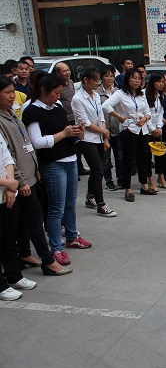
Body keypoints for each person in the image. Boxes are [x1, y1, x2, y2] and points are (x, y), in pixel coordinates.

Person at [0, 77, 72, 276]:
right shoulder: (2, 120)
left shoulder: (12, 115)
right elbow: (8, 155)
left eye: (12, 91)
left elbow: (26, 145)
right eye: (7, 92)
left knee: (25, 220)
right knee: (35, 218)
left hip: (30, 175)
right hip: (19, 180)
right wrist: (20, 179)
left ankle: (24, 253)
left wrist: (34, 167)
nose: (12, 95)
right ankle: (47, 261)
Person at [23, 74, 92, 266]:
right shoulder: (32, 111)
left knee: (70, 203)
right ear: (43, 90)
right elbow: (37, 142)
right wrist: (63, 134)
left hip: (70, 158)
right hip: (53, 163)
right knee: (56, 208)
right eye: (55, 93)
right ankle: (55, 248)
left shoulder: (58, 107)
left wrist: (75, 133)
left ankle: (72, 236)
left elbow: (65, 131)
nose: (57, 97)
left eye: (60, 93)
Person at [102, 69, 156, 202]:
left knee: (143, 159)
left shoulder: (141, 95)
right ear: (127, 79)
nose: (137, 81)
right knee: (128, 160)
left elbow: (148, 111)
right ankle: (128, 190)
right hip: (129, 130)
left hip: (142, 130)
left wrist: (145, 118)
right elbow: (106, 106)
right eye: (134, 78)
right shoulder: (120, 94)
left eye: (139, 78)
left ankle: (144, 185)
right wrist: (119, 117)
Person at [72, 67, 117, 217]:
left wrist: (104, 137)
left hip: (98, 138)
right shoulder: (78, 99)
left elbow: (101, 118)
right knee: (98, 170)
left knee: (97, 169)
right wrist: (103, 132)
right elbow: (84, 123)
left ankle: (90, 196)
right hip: (86, 139)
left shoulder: (96, 96)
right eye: (96, 79)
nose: (98, 82)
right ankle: (101, 204)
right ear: (86, 80)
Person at [0, 131, 37, 300]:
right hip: (5, 186)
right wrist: (7, 182)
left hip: (7, 193)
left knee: (9, 238)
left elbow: (7, 157)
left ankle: (14, 276)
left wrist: (10, 186)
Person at [98, 65, 123, 191]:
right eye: (106, 76)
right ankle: (108, 180)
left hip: (117, 128)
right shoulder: (97, 93)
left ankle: (120, 178)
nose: (109, 78)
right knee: (106, 158)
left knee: (119, 156)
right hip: (104, 130)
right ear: (101, 77)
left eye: (111, 76)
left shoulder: (118, 91)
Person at [145, 73, 166, 189]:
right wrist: (152, 129)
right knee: (147, 157)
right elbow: (146, 113)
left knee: (160, 155)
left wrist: (159, 127)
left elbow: (160, 113)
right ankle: (150, 179)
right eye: (159, 81)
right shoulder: (144, 94)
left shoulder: (160, 95)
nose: (161, 84)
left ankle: (160, 176)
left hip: (157, 130)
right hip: (146, 130)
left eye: (163, 82)